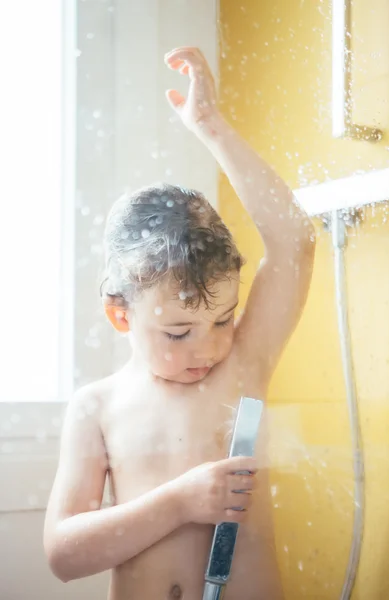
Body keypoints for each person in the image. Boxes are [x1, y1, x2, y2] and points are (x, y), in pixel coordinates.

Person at [44, 47, 315, 600]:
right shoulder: (97, 408)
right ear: (121, 313)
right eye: (177, 333)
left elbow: (294, 240)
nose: (210, 346)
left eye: (223, 318)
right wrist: (179, 502)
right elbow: (63, 555)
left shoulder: (243, 364)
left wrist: (210, 127)